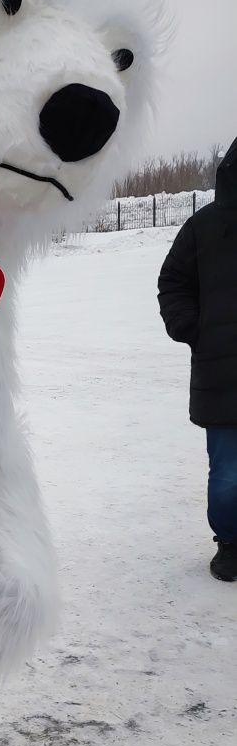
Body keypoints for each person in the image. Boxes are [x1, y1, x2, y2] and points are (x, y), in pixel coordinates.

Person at [158, 137, 237, 581]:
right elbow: (173, 280)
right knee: (228, 472)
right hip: (222, 372)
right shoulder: (204, 226)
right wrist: (192, 329)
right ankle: (230, 543)